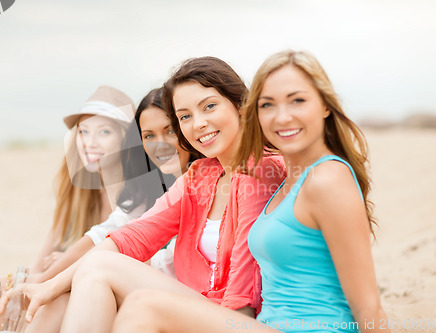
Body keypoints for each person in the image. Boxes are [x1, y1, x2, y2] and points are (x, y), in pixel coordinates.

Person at [0, 56, 286, 333]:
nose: (197, 123)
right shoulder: (201, 175)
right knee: (81, 278)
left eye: (209, 107)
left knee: (101, 267)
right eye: (185, 116)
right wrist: (47, 286)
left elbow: (245, 286)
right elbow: (131, 236)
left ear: (240, 105)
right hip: (203, 305)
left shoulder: (262, 170)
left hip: (237, 319)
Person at [110, 50, 391, 333]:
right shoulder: (285, 180)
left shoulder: (327, 179)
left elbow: (368, 307)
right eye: (268, 105)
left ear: (325, 106)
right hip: (268, 326)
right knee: (135, 302)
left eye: (297, 100)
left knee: (143, 307)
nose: (282, 117)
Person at [0, 85, 134, 333]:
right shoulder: (79, 194)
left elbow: (114, 259)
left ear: (128, 139)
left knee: (51, 300)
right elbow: (39, 268)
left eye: (104, 132)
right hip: (59, 289)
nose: (89, 143)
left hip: (104, 299)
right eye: (83, 132)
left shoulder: (133, 197)